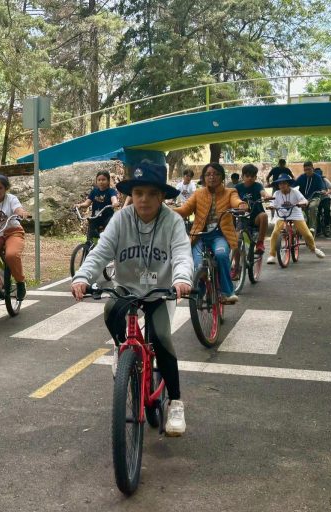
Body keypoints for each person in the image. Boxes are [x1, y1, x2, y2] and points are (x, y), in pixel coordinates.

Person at [70, 161, 193, 436]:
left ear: (162, 196)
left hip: (160, 291)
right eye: (138, 193)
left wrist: (182, 279)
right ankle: (121, 347)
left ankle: (175, 402)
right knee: (111, 312)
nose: (144, 199)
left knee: (161, 337)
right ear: (131, 195)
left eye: (151, 193)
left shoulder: (172, 221)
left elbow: (182, 254)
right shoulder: (121, 219)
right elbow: (101, 252)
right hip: (126, 287)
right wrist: (82, 277)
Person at [173, 162, 247, 304]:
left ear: (222, 177)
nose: (212, 177)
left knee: (221, 255)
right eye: (208, 174)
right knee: (197, 265)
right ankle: (199, 293)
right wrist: (165, 211)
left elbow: (236, 201)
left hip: (219, 235)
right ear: (204, 177)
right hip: (199, 236)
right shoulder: (198, 193)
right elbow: (184, 210)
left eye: (216, 174)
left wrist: (241, 205)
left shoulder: (230, 192)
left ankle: (227, 292)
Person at [266, 174, 326, 264]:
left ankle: (314, 249)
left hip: (295, 214)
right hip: (281, 215)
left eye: (284, 183)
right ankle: (272, 255)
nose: (282, 185)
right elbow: (272, 203)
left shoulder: (295, 192)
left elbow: (304, 200)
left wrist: (302, 203)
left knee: (307, 234)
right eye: (280, 184)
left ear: (288, 184)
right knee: (275, 233)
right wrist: (271, 206)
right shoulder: (276, 193)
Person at [234, 163, 270, 255]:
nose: (250, 178)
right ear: (242, 176)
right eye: (247, 176)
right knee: (236, 242)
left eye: (252, 176)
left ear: (255, 177)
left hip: (256, 218)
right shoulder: (237, 187)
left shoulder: (258, 185)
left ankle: (260, 243)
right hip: (242, 218)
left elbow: (263, 192)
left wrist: (266, 196)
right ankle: (236, 263)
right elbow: (232, 197)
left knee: (264, 216)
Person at [73, 170, 119, 240]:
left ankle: (109, 243)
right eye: (99, 180)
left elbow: (114, 199)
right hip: (95, 217)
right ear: (96, 181)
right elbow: (87, 203)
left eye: (103, 180)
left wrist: (115, 203)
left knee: (109, 231)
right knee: (91, 233)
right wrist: (79, 205)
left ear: (108, 181)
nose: (101, 182)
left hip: (107, 217)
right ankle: (89, 244)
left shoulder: (111, 191)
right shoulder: (94, 191)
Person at [295, 161, 328, 235]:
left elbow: (322, 187)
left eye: (309, 169)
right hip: (303, 198)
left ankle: (312, 228)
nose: (307, 171)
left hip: (314, 197)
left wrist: (323, 190)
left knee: (312, 207)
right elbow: (294, 184)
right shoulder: (302, 177)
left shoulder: (318, 177)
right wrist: (289, 188)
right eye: (305, 170)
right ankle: (301, 227)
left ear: (313, 168)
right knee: (298, 209)